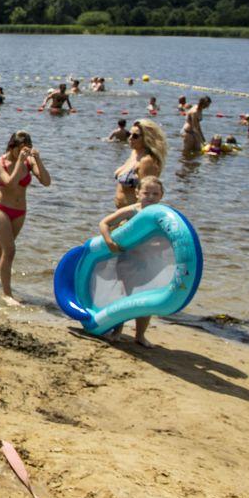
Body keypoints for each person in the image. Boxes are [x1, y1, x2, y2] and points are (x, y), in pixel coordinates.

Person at [98, 177, 167, 346]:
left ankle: (140, 335)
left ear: (161, 196)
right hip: (127, 259)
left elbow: (170, 238)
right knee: (123, 295)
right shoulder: (132, 210)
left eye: (155, 193)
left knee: (147, 298)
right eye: (146, 193)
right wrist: (109, 242)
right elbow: (104, 223)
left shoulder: (164, 215)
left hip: (149, 261)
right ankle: (117, 331)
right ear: (137, 193)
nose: (150, 197)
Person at [0, 131, 51, 306]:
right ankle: (7, 294)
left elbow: (46, 181)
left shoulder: (29, 162)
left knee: (3, 248)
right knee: (10, 249)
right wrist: (20, 162)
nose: (24, 153)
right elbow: (10, 183)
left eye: (27, 150)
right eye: (21, 150)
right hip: (0, 208)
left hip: (20, 211)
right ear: (12, 147)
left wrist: (38, 160)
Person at [114, 119, 166, 208]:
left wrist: (133, 216)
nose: (130, 138)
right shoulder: (135, 153)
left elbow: (147, 196)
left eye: (135, 136)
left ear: (146, 138)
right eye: (129, 134)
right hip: (122, 213)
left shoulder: (147, 161)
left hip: (132, 215)